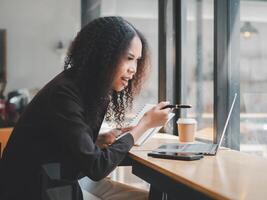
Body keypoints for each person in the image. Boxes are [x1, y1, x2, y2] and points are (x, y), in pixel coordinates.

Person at [0, 16, 171, 200]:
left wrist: (96, 141)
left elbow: (62, 144)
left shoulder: (87, 88)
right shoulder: (64, 93)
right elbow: (97, 167)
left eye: (137, 60)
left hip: (57, 178)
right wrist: (142, 127)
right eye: (129, 58)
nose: (134, 69)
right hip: (36, 189)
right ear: (104, 55)